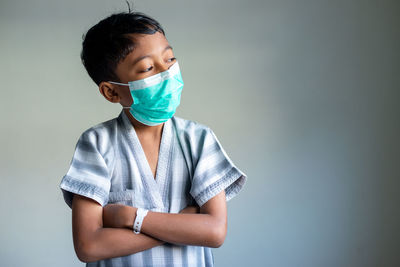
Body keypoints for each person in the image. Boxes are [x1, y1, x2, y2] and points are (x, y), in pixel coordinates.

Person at [59, 9, 247, 267]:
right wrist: (183, 225)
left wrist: (132, 217)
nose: (167, 73)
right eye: (148, 68)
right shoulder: (97, 144)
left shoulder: (199, 139)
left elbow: (214, 232)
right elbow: (89, 246)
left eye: (170, 59)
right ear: (112, 92)